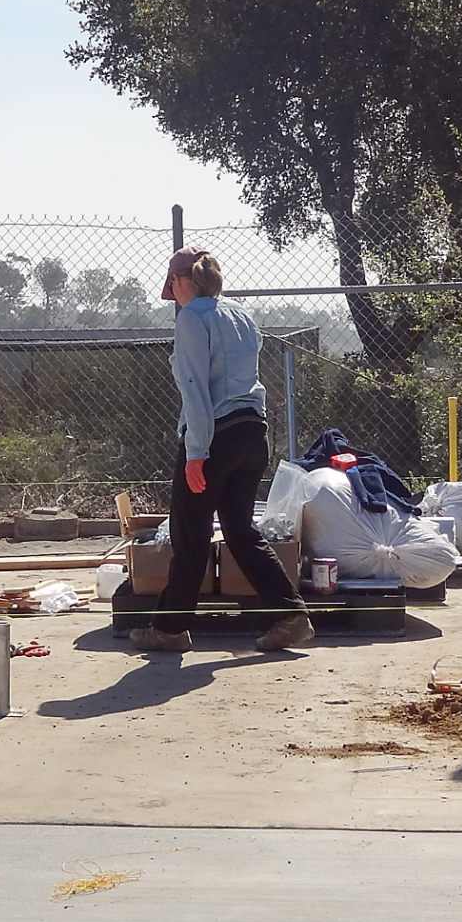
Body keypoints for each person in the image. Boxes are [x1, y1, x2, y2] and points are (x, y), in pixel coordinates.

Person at [134, 248, 313, 655]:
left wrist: (196, 452)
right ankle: (290, 615)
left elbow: (194, 388)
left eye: (172, 285)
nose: (173, 295)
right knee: (240, 531)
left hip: (215, 437)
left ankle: (170, 629)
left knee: (190, 534)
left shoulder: (192, 318)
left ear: (181, 281)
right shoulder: (241, 315)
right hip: (253, 432)